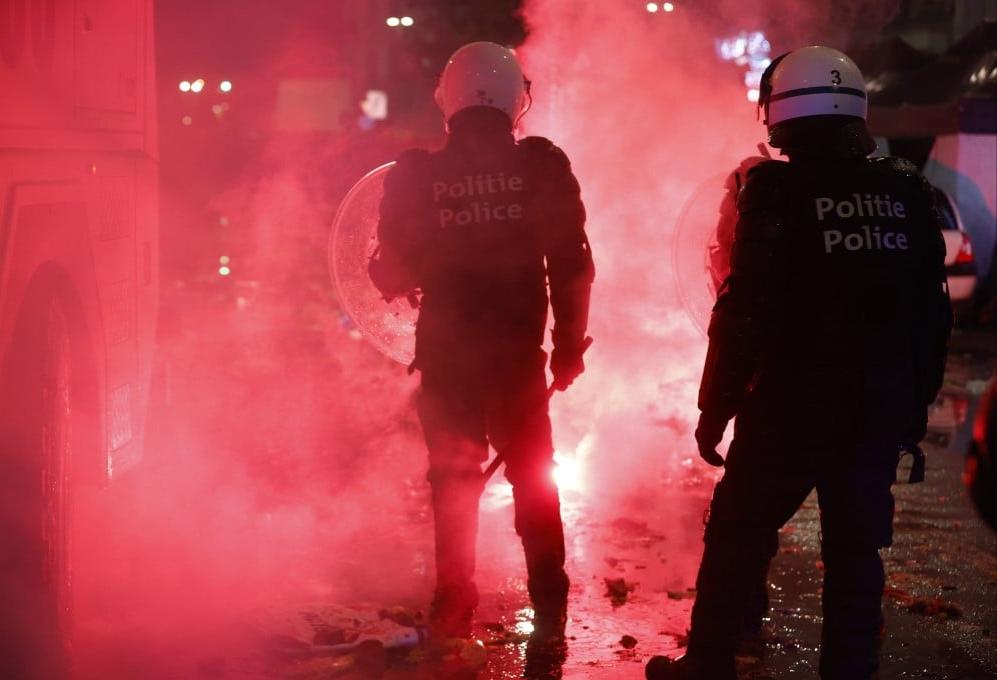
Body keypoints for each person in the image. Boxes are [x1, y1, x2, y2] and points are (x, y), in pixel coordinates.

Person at [646, 46, 953, 680]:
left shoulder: (774, 190)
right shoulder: (906, 189)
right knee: (856, 551)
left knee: (736, 535)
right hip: (876, 405)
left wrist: (714, 410)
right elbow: (932, 309)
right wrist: (914, 404)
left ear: (780, 112)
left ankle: (707, 665)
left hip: (789, 406)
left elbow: (743, 312)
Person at [367, 41, 594, 644]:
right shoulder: (541, 166)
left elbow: (391, 275)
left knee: (453, 481)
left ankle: (452, 605)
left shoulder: (416, 175)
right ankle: (550, 603)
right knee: (535, 479)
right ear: (515, 101)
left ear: (449, 100)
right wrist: (568, 347)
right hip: (519, 361)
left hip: (447, 363)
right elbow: (572, 264)